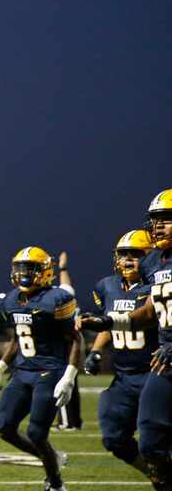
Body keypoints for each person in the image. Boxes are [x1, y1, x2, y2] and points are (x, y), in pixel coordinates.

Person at [80, 189, 172, 490]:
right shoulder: (157, 263)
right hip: (155, 365)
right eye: (155, 220)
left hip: (156, 362)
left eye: (166, 219)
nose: (158, 226)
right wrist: (108, 322)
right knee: (148, 444)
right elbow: (148, 311)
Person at [0, 246, 82, 491]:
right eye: (19, 268)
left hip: (49, 372)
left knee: (37, 433)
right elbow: (17, 339)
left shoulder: (56, 299)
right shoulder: (11, 300)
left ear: (44, 271)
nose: (22, 274)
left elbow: (76, 339)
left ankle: (56, 484)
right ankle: (52, 457)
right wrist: (1, 364)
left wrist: (70, 375)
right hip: (22, 372)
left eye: (29, 269)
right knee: (5, 427)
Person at [81, 230, 157, 484]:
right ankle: (157, 475)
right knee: (113, 436)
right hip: (123, 376)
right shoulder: (107, 286)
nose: (126, 260)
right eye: (123, 254)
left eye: (135, 254)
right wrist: (95, 350)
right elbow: (109, 323)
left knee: (154, 440)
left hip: (155, 373)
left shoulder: (157, 286)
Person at [54, 252, 82, 430]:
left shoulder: (61, 304)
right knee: (71, 383)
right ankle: (74, 421)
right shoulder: (67, 299)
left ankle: (67, 422)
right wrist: (62, 268)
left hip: (65, 346)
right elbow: (66, 285)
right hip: (73, 345)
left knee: (63, 383)